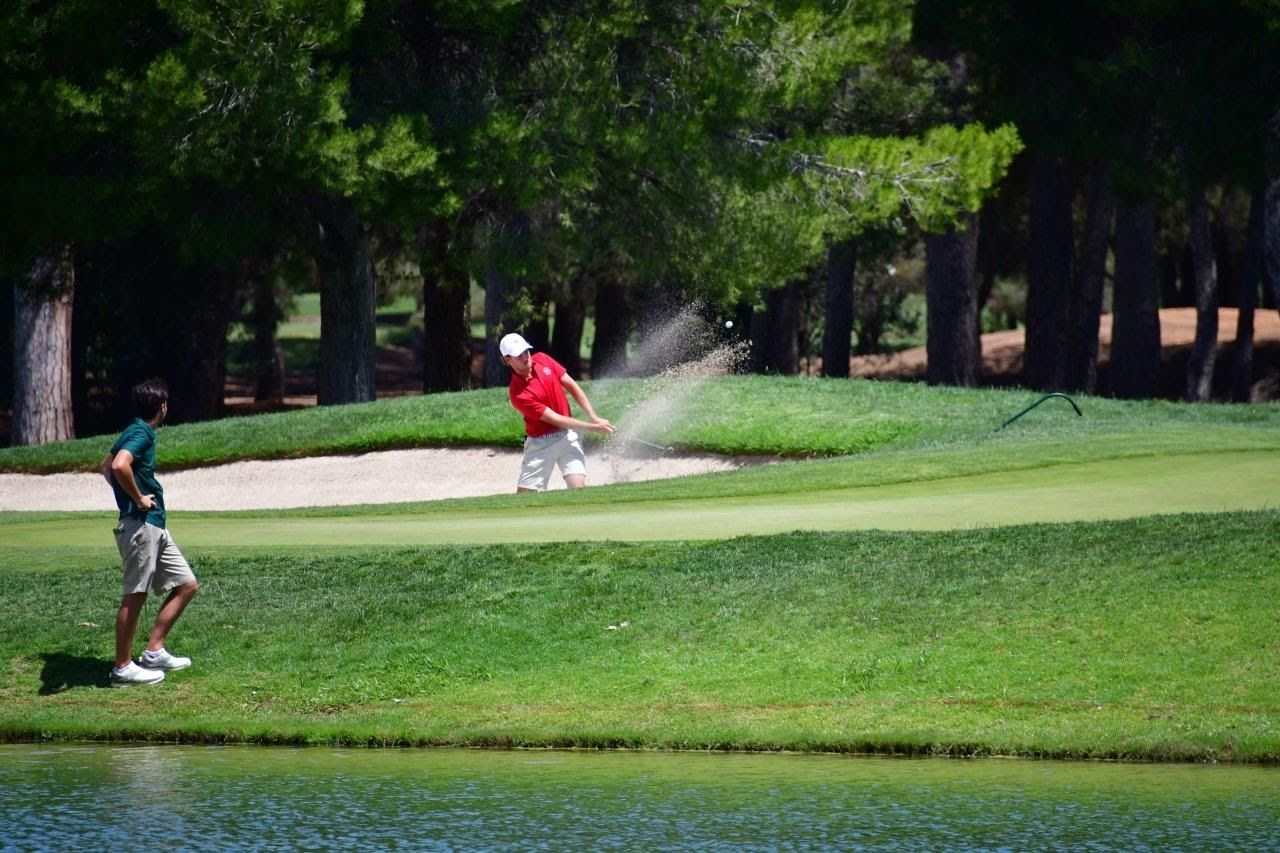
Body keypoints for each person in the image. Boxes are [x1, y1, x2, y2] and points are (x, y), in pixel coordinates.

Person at [98, 378, 199, 687]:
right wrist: (138, 498)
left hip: (152, 525)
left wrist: (130, 495)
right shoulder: (141, 432)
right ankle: (122, 668)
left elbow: (105, 466)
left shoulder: (134, 429)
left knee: (186, 584)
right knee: (135, 595)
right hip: (141, 526)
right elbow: (117, 466)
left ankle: (154, 651)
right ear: (163, 407)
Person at [500, 332, 615, 492]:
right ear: (507, 359)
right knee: (526, 500)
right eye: (518, 355)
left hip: (568, 437)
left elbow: (572, 385)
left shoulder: (542, 359)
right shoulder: (518, 393)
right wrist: (594, 427)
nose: (525, 356)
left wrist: (594, 417)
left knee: (578, 490)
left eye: (525, 351)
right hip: (541, 443)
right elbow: (556, 419)